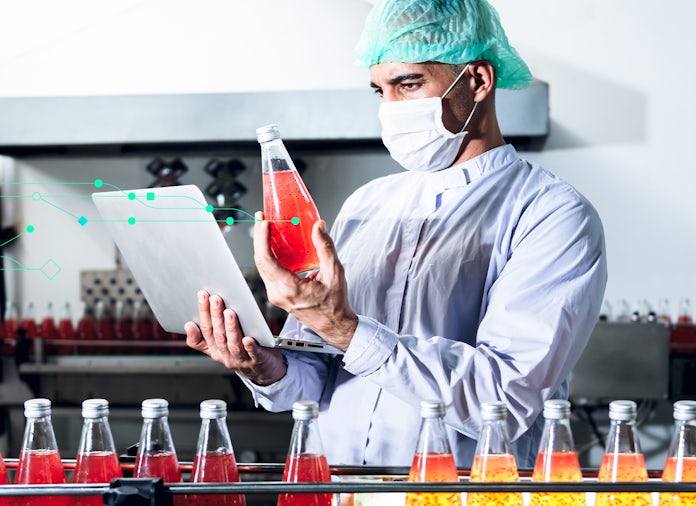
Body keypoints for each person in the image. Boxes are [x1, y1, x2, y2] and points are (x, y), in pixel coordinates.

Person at [185, 0, 607, 467]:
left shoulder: (550, 214)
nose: (391, 107)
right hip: (338, 486)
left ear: (478, 80)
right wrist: (266, 367)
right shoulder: (368, 205)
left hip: (458, 493)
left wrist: (343, 328)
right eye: (378, 90)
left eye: (408, 84)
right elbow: (315, 379)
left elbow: (503, 402)